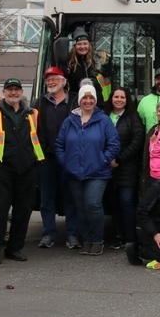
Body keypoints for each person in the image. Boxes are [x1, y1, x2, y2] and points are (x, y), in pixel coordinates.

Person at [0, 78, 44, 265]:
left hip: (26, 171)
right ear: (3, 92)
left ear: (22, 92)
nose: (13, 93)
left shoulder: (32, 113)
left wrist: (34, 162)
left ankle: (14, 249)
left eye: (17, 90)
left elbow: (40, 138)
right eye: (10, 90)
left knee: (23, 212)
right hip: (2, 170)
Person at [55, 82, 121, 256]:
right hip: (73, 172)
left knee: (93, 204)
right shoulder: (69, 121)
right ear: (79, 100)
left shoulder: (104, 120)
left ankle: (98, 240)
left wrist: (104, 159)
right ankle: (87, 240)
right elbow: (59, 145)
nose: (88, 101)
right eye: (85, 97)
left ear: (95, 100)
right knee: (81, 207)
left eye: (91, 97)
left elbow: (114, 143)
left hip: (97, 172)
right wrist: (65, 162)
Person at [36, 66, 77, 249]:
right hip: (47, 158)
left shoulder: (75, 101)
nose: (51, 82)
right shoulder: (39, 103)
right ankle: (48, 234)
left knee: (71, 197)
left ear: (64, 82)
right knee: (47, 198)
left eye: (54, 79)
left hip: (70, 158)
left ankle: (72, 235)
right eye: (48, 80)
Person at [104, 87, 144, 249]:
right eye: (116, 96)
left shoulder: (133, 118)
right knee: (113, 203)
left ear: (127, 100)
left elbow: (137, 141)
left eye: (122, 97)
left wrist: (119, 159)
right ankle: (119, 235)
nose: (119, 100)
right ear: (111, 98)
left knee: (126, 201)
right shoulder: (103, 116)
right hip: (105, 167)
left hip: (126, 167)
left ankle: (130, 237)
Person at [64, 26, 111, 105]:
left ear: (89, 44)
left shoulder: (101, 58)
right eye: (79, 44)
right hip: (76, 103)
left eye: (85, 43)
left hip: (100, 102)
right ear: (75, 46)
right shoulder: (68, 62)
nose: (82, 47)